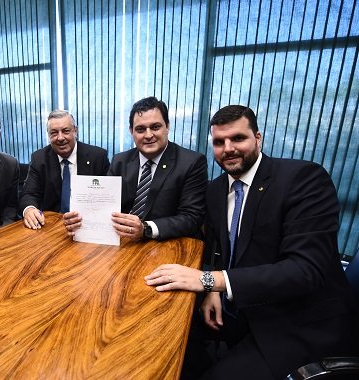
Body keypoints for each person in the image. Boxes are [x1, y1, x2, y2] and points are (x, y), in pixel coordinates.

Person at [144, 105, 358, 379]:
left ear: (258, 138)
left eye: (238, 138)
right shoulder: (216, 189)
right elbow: (217, 248)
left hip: (296, 321)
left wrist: (210, 281)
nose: (228, 148)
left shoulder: (303, 179)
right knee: (160, 335)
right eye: (219, 142)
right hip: (239, 308)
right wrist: (211, 291)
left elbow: (305, 271)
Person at [63, 97, 207, 241]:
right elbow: (104, 204)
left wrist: (146, 229)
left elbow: (192, 217)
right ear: (131, 131)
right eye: (140, 129)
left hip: (167, 244)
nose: (148, 135)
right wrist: (80, 220)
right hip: (125, 243)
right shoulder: (120, 161)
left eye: (155, 127)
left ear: (167, 126)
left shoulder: (192, 162)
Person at [20, 110, 110, 229]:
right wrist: (29, 209)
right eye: (54, 133)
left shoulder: (98, 157)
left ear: (75, 131)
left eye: (65, 131)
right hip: (50, 227)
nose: (60, 138)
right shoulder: (39, 158)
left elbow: (108, 197)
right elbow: (29, 194)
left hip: (87, 226)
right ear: (48, 135)